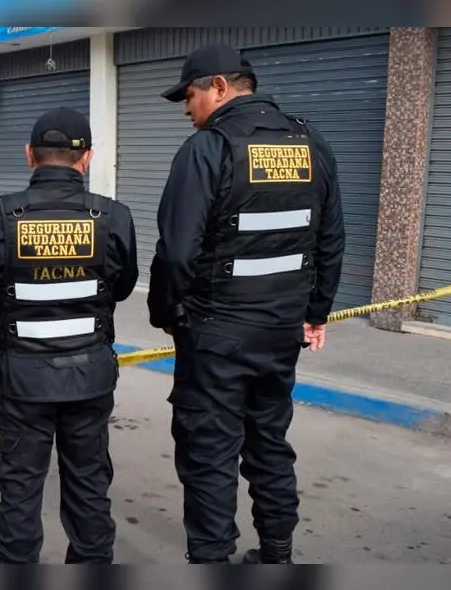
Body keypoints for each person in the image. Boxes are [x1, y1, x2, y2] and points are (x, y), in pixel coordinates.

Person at [149, 44, 345, 564]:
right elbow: (330, 239)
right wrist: (316, 312)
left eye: (189, 96)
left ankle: (212, 561)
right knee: (269, 441)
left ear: (218, 86)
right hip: (282, 331)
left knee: (209, 452)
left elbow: (176, 251)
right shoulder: (313, 143)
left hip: (216, 333)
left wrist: (169, 316)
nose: (187, 109)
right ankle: (276, 554)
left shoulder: (207, 149)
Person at [0, 107, 139, 564]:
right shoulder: (114, 216)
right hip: (90, 376)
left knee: (20, 484)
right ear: (88, 158)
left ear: (29, 155)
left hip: (24, 379)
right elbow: (121, 287)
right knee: (89, 481)